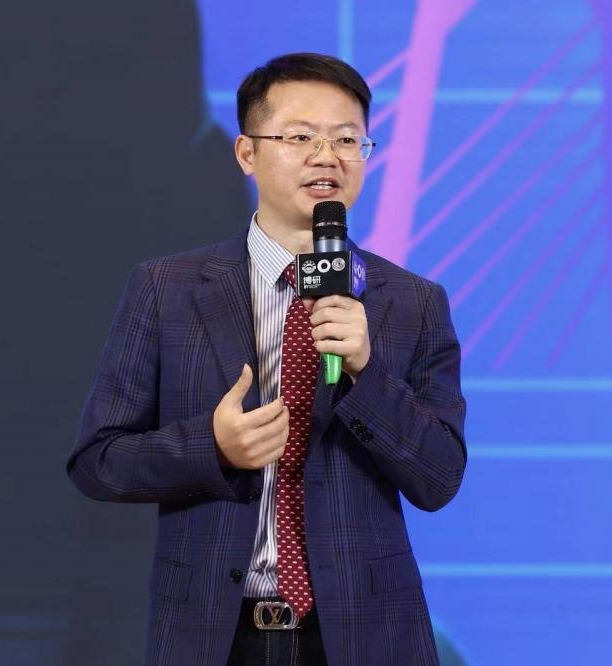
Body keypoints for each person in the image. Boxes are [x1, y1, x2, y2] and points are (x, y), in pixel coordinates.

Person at [67, 52, 467, 666]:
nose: (326, 157)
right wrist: (213, 447)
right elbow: (99, 462)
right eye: (300, 137)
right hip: (214, 636)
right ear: (247, 153)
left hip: (366, 637)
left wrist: (367, 373)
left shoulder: (413, 303)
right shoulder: (167, 289)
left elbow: (439, 478)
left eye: (347, 140)